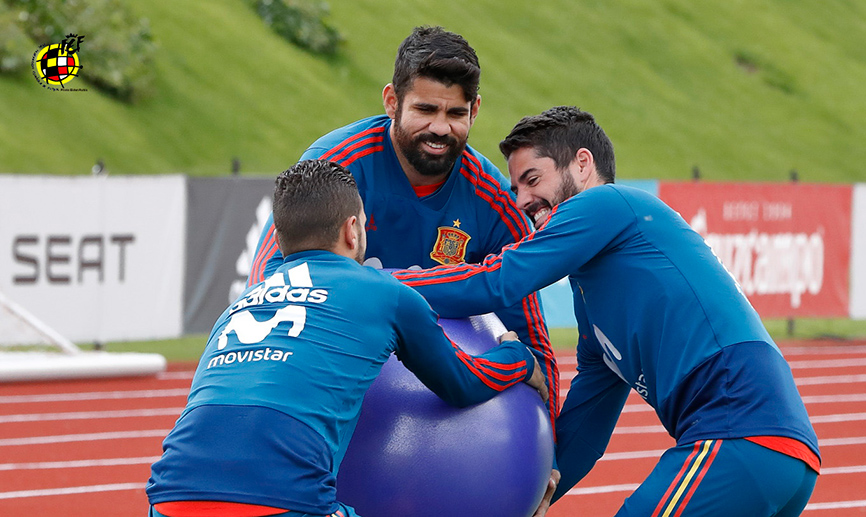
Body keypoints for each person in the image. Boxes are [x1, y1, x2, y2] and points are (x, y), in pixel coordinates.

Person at [394, 106, 820, 516]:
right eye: (515, 189)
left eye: (532, 179)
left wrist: (379, 284)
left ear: (582, 164)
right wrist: (526, 494)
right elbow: (586, 429)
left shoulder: (608, 204)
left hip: (738, 431)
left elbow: (498, 280)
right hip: (777, 454)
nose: (522, 200)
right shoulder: (592, 309)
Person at [146, 159, 547, 517]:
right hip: (285, 502)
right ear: (352, 229)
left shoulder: (239, 305)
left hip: (166, 497)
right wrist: (518, 356)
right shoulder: (387, 293)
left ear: (281, 237)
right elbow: (463, 382)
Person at [246, 26, 559, 424]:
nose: (441, 128)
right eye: (426, 110)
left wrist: (549, 456)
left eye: (456, 114)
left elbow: (531, 336)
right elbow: (270, 283)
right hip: (330, 388)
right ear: (392, 102)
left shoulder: (494, 199)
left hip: (448, 405)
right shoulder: (336, 166)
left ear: (475, 110)